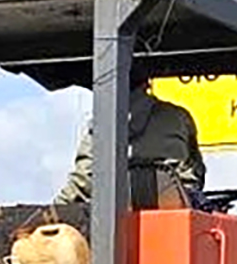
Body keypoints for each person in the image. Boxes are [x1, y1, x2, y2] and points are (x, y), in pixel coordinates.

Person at [56, 60, 207, 206]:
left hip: (112, 220)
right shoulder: (178, 116)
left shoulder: (102, 128)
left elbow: (84, 181)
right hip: (177, 214)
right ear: (146, 83)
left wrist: (52, 212)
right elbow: (196, 170)